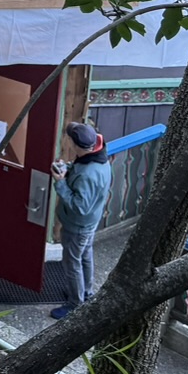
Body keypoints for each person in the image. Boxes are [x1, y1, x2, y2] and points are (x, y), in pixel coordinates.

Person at [50, 122, 111, 319]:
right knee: (85, 256)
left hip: (77, 226)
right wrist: (67, 169)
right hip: (90, 223)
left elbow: (79, 206)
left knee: (72, 264)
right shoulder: (99, 157)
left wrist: (61, 183)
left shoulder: (88, 175)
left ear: (77, 145)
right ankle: (86, 294)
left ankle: (74, 304)